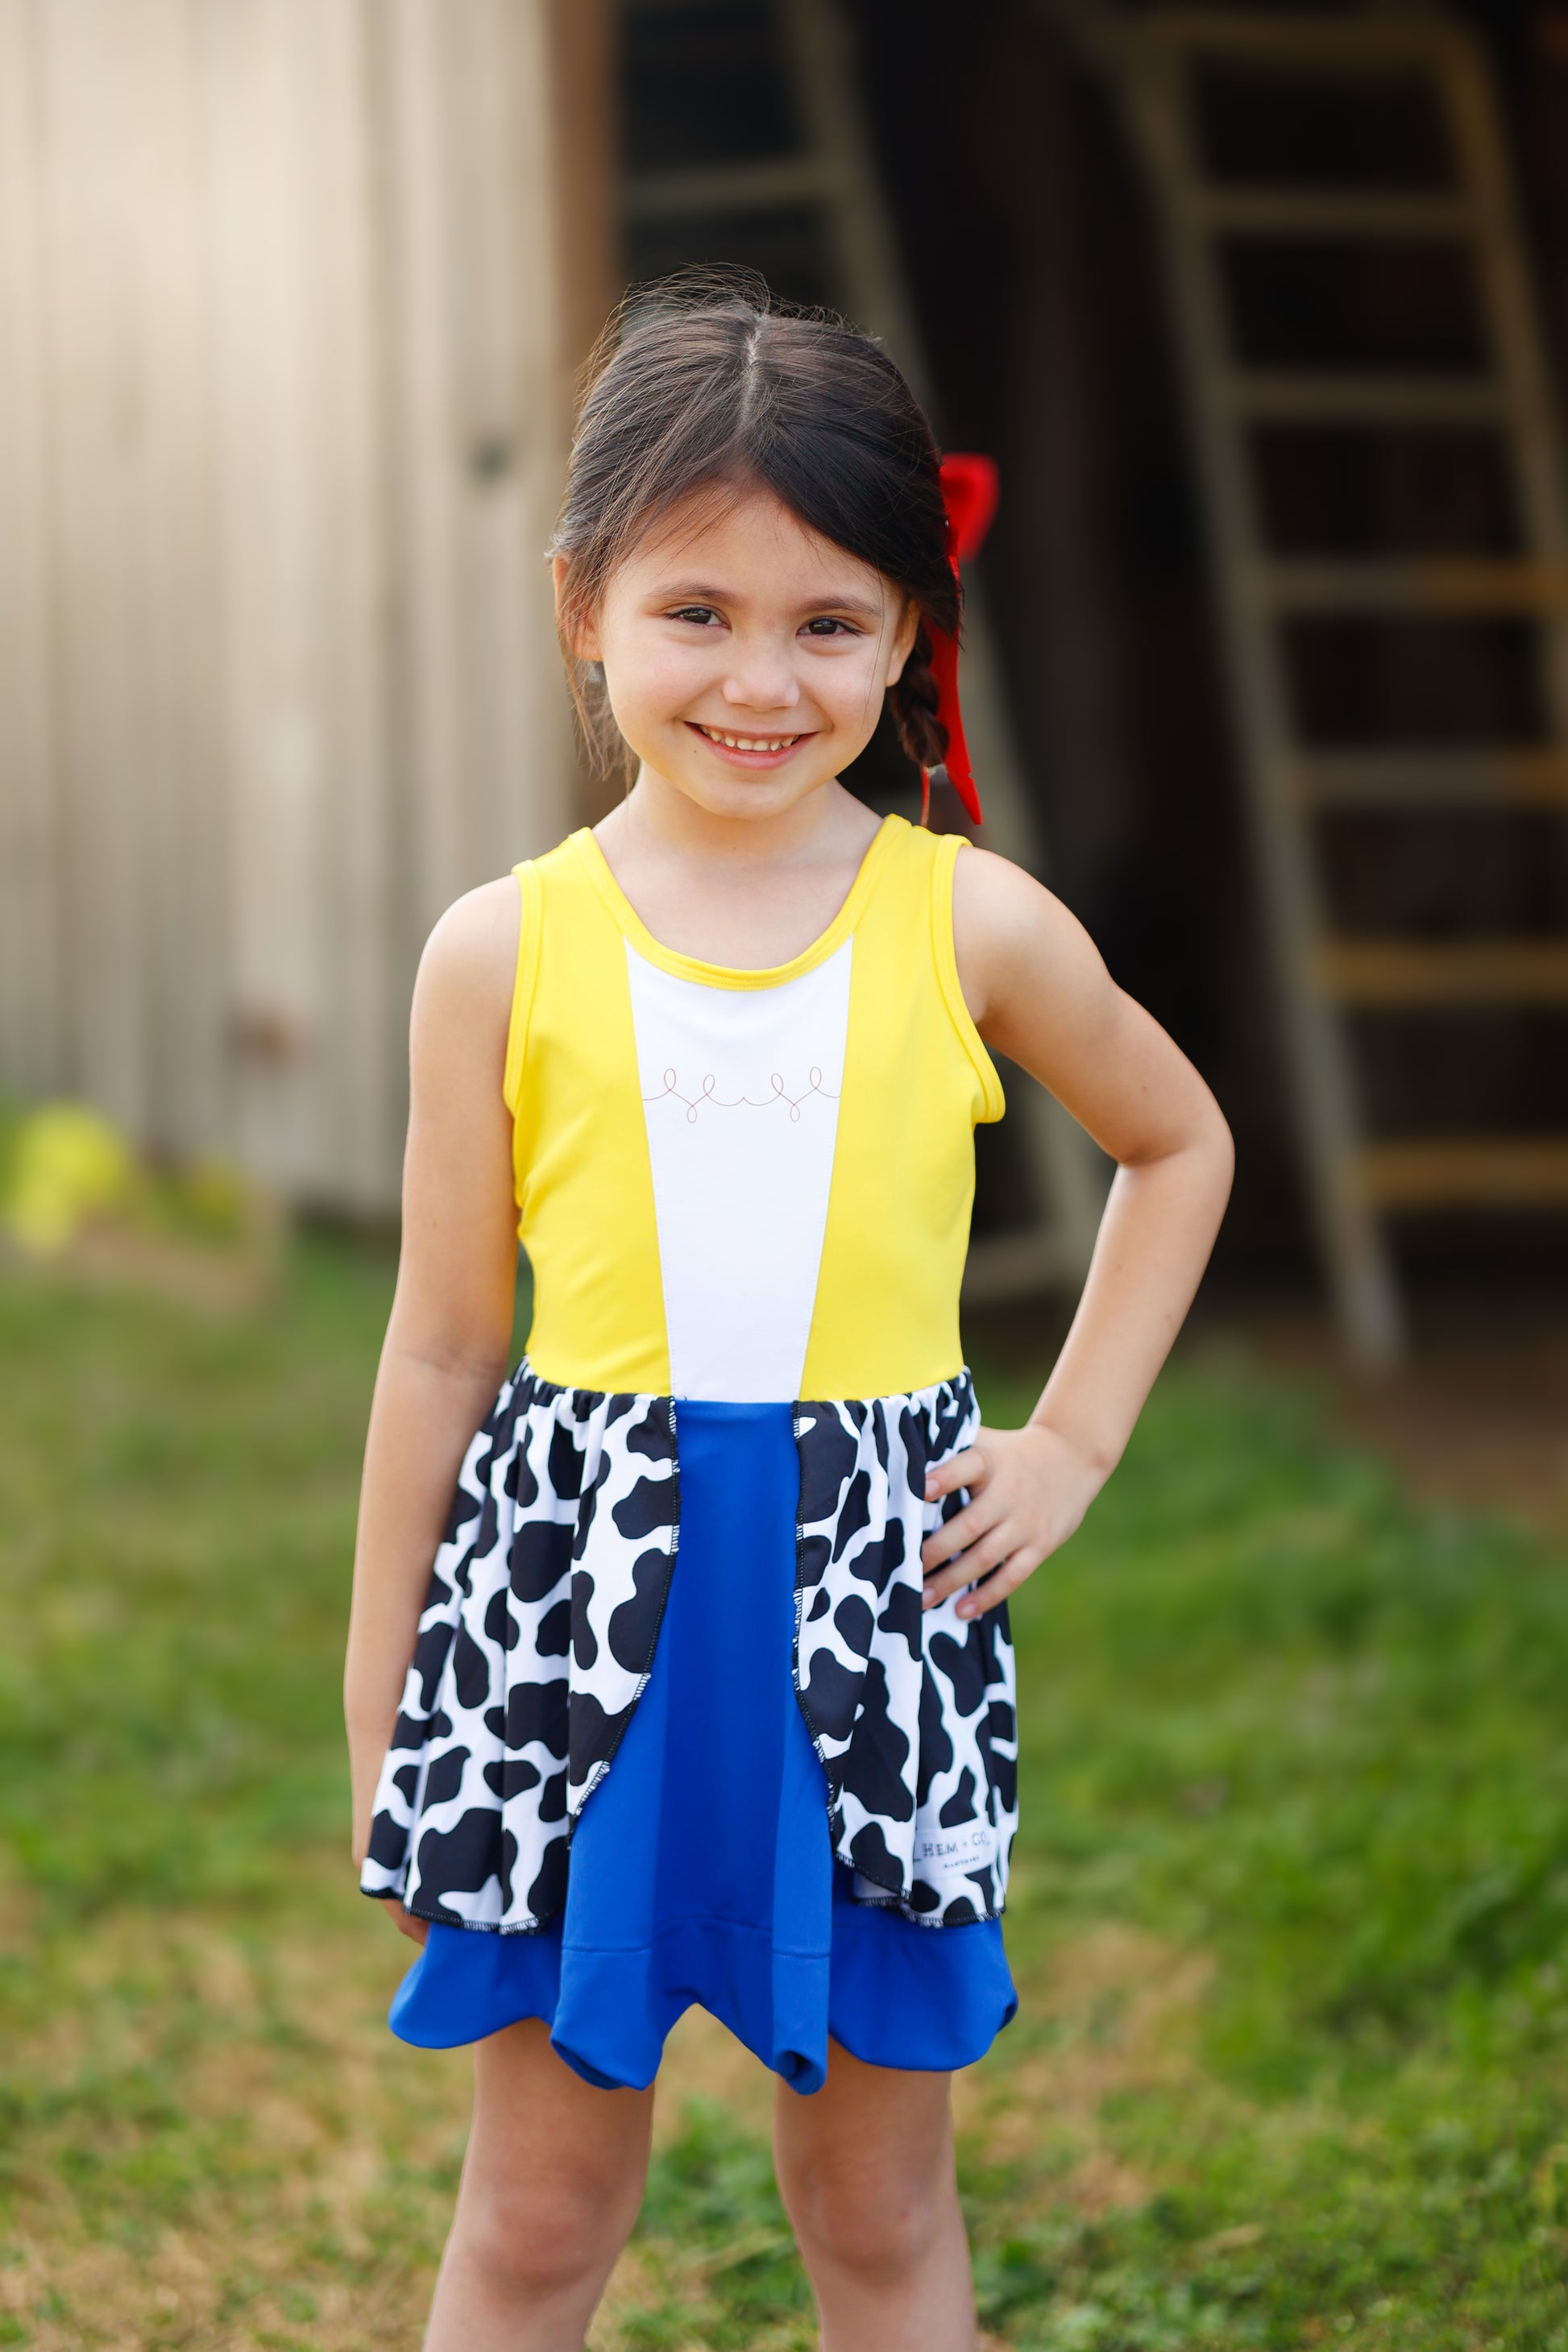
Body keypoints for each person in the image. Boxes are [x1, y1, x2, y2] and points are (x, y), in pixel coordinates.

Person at [343, 284, 1233, 2352]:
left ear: (911, 630)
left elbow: (1177, 1140)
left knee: (879, 2207)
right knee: (536, 2214)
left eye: (828, 620)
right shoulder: (499, 951)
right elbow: (444, 1346)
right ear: (582, 605)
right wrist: (386, 1704)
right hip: (572, 1624)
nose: (761, 679)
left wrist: (1073, 1438)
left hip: (869, 1617)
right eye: (697, 612)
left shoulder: (969, 919)